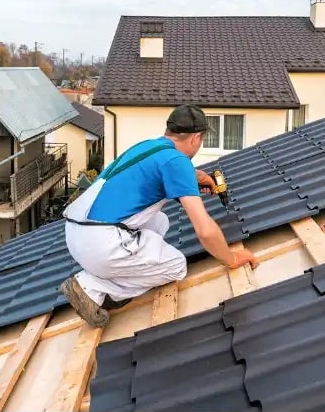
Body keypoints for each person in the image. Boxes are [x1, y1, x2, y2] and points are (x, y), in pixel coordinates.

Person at [59, 104, 258, 327]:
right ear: (196, 138)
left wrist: (197, 178)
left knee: (160, 221)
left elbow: (168, 172)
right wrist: (232, 259)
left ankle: (118, 267)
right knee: (176, 265)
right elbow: (204, 230)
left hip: (78, 231)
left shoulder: (150, 147)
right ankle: (92, 287)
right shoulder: (177, 162)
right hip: (100, 244)